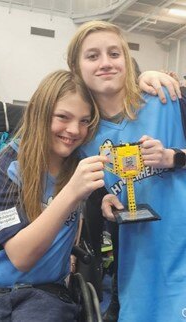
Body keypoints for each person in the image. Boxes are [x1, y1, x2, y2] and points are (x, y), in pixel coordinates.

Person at [66, 20, 186, 322]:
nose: (105, 63)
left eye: (114, 53)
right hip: (137, 267)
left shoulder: (167, 98)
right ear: (76, 68)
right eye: (92, 56)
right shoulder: (83, 134)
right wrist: (102, 198)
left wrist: (174, 157)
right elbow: (96, 194)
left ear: (126, 60)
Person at [0, 69, 107, 321]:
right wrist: (70, 192)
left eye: (84, 121)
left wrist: (147, 80)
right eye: (63, 117)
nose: (74, 130)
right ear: (40, 113)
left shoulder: (82, 163)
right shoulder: (4, 166)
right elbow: (21, 257)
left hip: (46, 294)